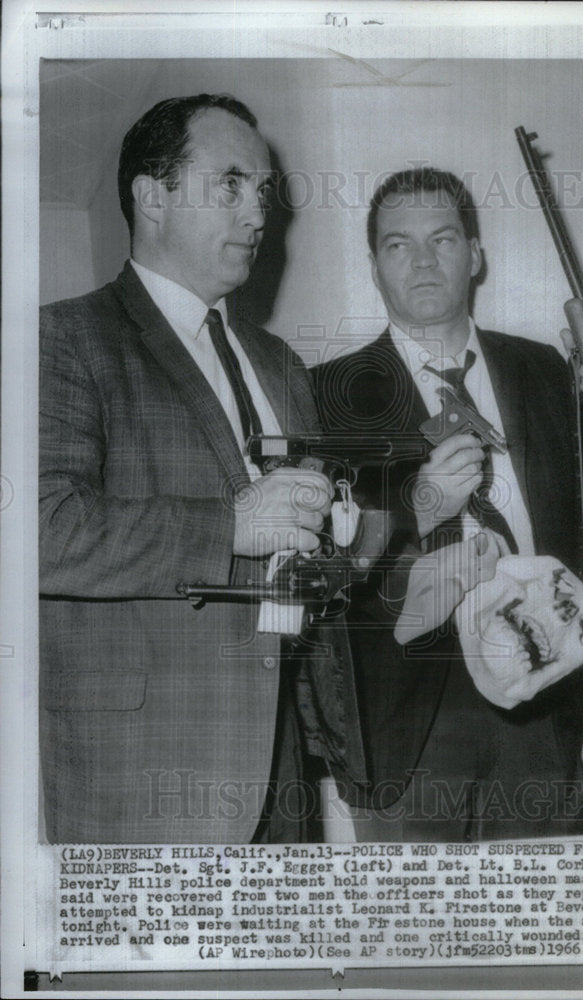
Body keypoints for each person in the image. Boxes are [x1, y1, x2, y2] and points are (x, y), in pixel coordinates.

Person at [39, 94, 365, 844]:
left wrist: (350, 532)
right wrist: (231, 525)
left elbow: (314, 550)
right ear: (153, 196)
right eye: (232, 184)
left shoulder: (280, 363)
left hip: (284, 764)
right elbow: (39, 529)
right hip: (145, 771)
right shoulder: (65, 339)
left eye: (262, 192)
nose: (258, 214)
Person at [315, 167, 583, 841]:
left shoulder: (546, 371)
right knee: (410, 935)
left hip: (541, 693)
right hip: (407, 724)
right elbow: (323, 563)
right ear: (374, 266)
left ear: (476, 254)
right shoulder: (324, 393)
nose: (424, 260)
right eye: (398, 245)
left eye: (443, 238)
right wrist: (419, 503)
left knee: (540, 922)